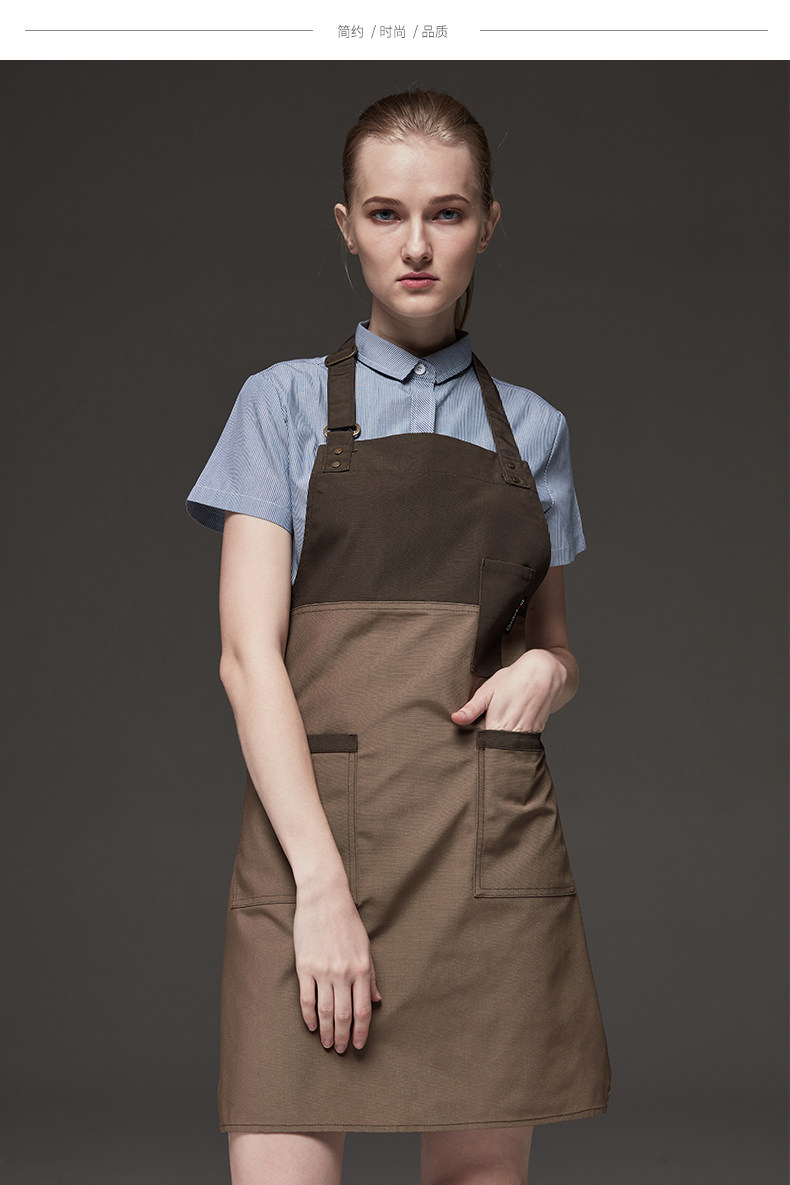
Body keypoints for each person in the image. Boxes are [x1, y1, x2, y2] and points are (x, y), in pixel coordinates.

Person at [186, 88, 610, 1185]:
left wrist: (546, 673)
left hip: (484, 852)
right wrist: (320, 889)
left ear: (487, 224)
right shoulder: (279, 405)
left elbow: (557, 647)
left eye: (446, 213)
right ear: (347, 226)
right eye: (385, 213)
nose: (416, 245)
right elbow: (247, 658)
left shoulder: (537, 431)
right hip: (312, 847)